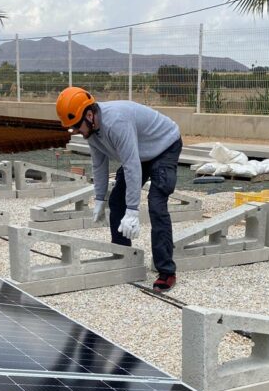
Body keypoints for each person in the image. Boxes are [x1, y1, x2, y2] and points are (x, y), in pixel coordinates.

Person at [55, 87, 182, 292]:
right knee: (115, 201)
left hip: (164, 146)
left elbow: (131, 164)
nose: (76, 132)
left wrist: (132, 210)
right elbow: (99, 164)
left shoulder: (116, 123)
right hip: (140, 153)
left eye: (76, 126)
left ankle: (166, 271)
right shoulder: (92, 131)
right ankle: (123, 257)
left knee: (156, 204)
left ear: (89, 115)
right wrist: (99, 198)